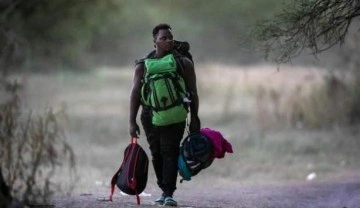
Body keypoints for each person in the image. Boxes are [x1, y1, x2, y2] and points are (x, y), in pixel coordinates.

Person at [129, 23, 200, 206]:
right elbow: (135, 93)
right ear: (155, 42)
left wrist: (195, 118)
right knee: (156, 153)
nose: (168, 41)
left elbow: (192, 91)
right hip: (149, 114)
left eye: (170, 37)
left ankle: (168, 193)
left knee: (170, 151)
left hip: (176, 113)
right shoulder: (143, 66)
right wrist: (132, 121)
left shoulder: (183, 63)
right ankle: (164, 189)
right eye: (163, 38)